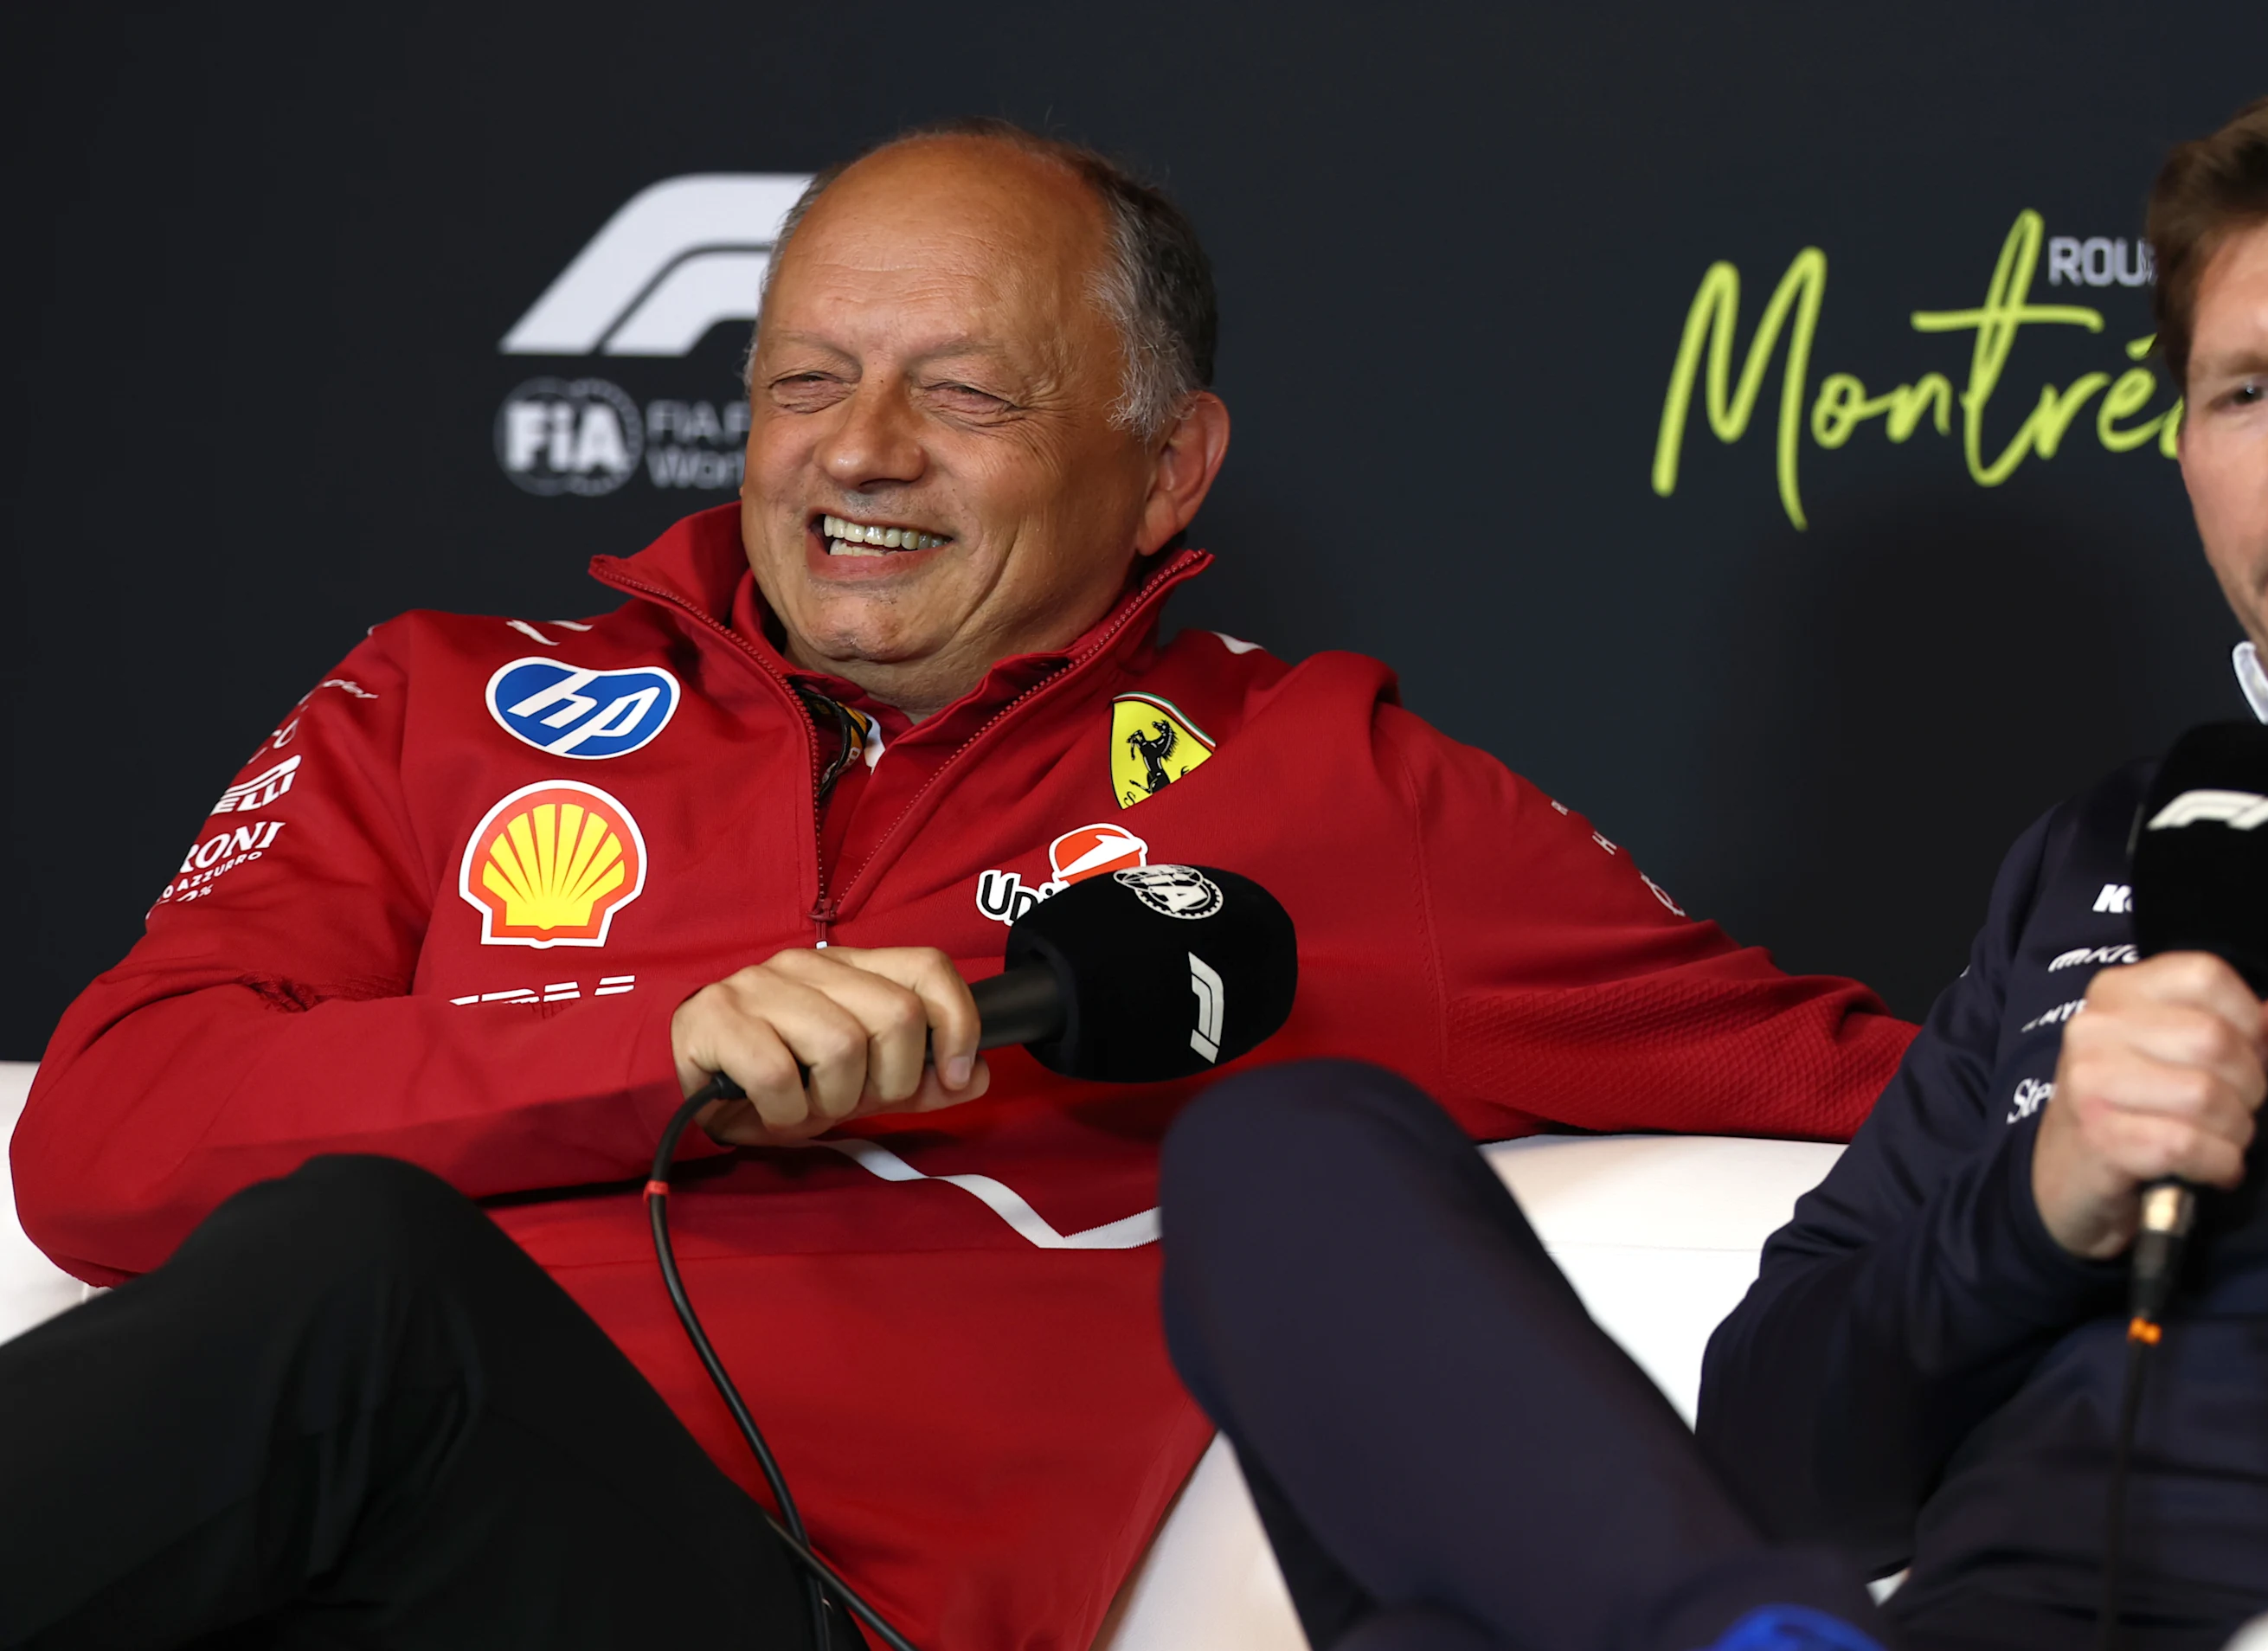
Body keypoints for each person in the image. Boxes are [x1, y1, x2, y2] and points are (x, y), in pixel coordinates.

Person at [2, 119, 1914, 1650]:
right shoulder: (439, 701)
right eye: (804, 380)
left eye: (966, 396)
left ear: (1166, 470)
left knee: (374, 1277)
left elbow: (1876, 1082)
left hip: (786, 1609)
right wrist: (653, 1045)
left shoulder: (1343, 795)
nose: (859, 450)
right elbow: (101, 1154)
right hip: (301, 1550)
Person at [1154, 68, 2268, 1651]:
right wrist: (2039, 1204)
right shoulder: (2098, 852)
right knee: (1285, 1148)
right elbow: (1782, 1459)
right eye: (2242, 392)